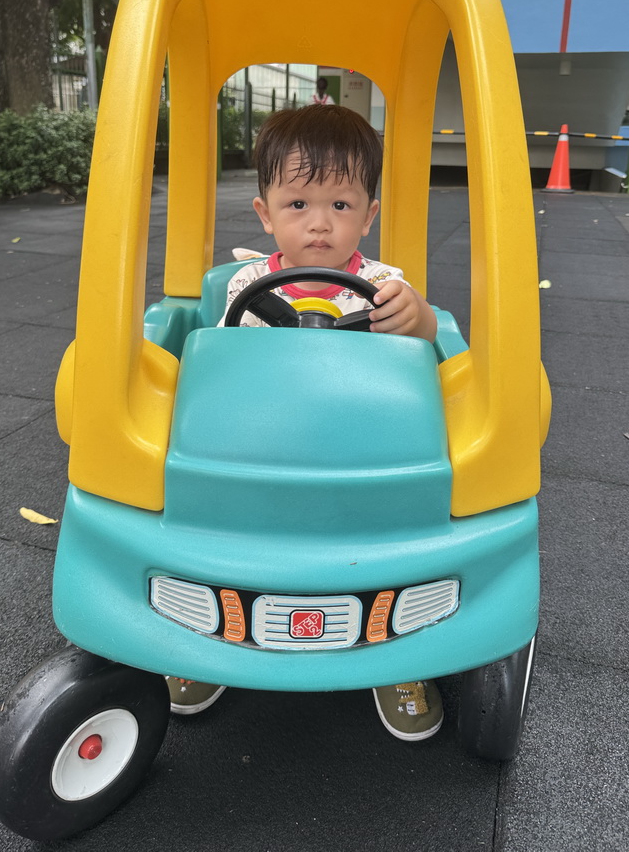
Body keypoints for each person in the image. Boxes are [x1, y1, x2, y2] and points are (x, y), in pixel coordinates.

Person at [166, 104, 443, 741]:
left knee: (399, 530)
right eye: (298, 204)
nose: (319, 223)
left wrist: (418, 320)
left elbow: (429, 346)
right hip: (261, 445)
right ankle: (201, 640)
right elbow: (220, 368)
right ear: (265, 213)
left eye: (340, 205)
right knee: (211, 521)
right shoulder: (244, 284)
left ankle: (401, 657)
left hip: (362, 447)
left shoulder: (383, 285)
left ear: (369, 215)